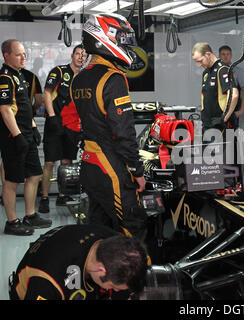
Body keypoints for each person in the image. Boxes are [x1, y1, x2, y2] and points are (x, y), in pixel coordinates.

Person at [71, 13, 147, 241]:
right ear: (103, 38)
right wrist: (138, 171)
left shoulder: (79, 79)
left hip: (89, 163)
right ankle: (134, 276)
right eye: (121, 39)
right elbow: (123, 133)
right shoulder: (113, 78)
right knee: (133, 225)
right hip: (111, 167)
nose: (125, 44)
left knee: (98, 230)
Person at [9, 224, 148, 300]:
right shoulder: (47, 280)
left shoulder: (112, 239)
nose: (116, 290)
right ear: (101, 270)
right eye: (113, 286)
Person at [0, 39, 51, 236]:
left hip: (26, 133)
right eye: (19, 54)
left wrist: (32, 128)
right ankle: (12, 222)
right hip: (14, 137)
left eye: (24, 54)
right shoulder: (5, 78)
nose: (24, 57)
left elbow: (24, 106)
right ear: (7, 56)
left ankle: (30, 215)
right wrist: (18, 135)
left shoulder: (19, 75)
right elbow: (5, 110)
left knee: (35, 174)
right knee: (12, 182)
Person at [38, 44, 87, 214]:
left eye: (84, 55)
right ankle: (44, 198)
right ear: (72, 55)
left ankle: (62, 195)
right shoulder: (59, 71)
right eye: (78, 54)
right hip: (55, 123)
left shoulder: (84, 77)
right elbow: (46, 92)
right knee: (50, 162)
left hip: (73, 126)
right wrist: (51, 117)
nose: (81, 57)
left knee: (67, 163)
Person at [192, 42, 239, 132]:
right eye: (197, 62)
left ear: (208, 54)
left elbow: (234, 95)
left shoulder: (222, 69)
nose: (199, 64)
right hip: (207, 124)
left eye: (200, 61)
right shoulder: (206, 72)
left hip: (220, 125)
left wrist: (224, 118)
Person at [218, 45, 244, 127]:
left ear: (231, 55)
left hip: (232, 109)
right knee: (216, 135)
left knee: (230, 136)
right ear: (219, 56)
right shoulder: (215, 71)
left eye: (228, 54)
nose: (225, 56)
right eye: (223, 54)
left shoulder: (238, 71)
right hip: (217, 110)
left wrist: (241, 110)